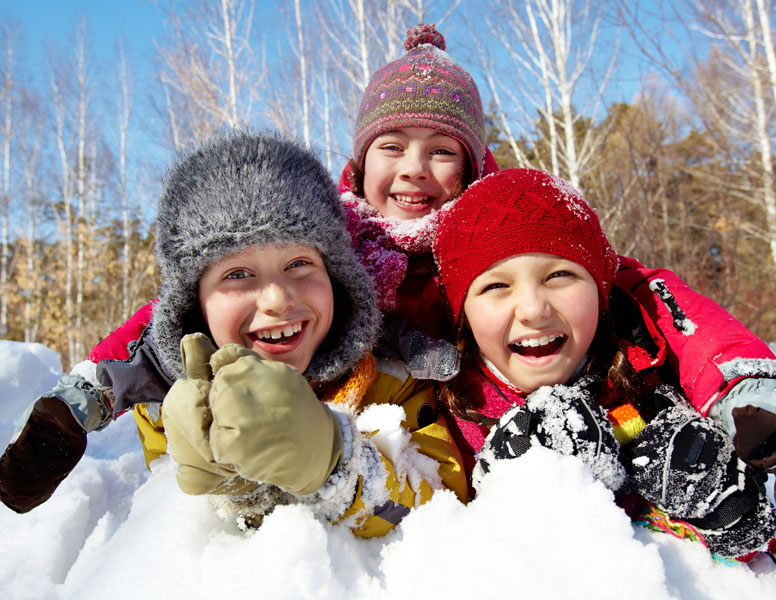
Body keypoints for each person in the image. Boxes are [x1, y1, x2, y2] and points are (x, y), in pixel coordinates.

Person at [3, 22, 776, 528]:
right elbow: (175, 312)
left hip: (440, 416)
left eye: (442, 149)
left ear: (474, 164)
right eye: (392, 145)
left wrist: (746, 391)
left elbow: (622, 286)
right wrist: (88, 392)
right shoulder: (321, 242)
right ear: (360, 159)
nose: (415, 169)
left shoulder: (502, 237)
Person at [0, 131, 468, 537]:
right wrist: (237, 493)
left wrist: (335, 462)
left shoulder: (387, 375)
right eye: (238, 274)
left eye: (299, 264)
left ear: (338, 276)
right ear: (195, 303)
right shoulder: (170, 391)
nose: (278, 300)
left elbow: (436, 499)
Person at [432, 169, 776, 560]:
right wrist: (501, 501)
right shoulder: (446, 417)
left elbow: (741, 569)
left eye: (559, 275)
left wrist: (730, 519)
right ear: (461, 312)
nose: (534, 309)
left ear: (600, 290)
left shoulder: (647, 378)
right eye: (497, 286)